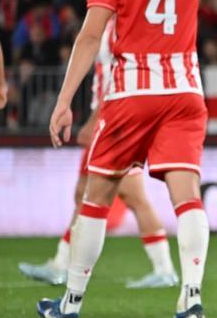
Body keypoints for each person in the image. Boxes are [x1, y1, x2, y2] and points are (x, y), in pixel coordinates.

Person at [39, 0, 210, 318]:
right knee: (187, 197)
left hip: (133, 90)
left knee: (96, 198)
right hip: (186, 92)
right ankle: (191, 298)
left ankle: (71, 303)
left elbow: (92, 34)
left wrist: (64, 101)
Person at [19, 17, 177, 289]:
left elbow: (118, 78)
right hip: (112, 119)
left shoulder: (119, 25)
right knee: (84, 194)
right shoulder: (111, 25)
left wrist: (94, 120)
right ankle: (60, 264)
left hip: (115, 122)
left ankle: (164, 269)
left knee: (131, 196)